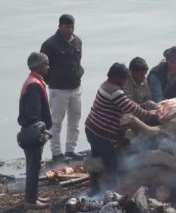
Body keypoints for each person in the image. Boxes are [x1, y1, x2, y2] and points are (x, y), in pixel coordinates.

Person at [85, 63, 158, 195]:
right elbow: (131, 108)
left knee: (97, 160)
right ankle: (112, 194)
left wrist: (142, 107)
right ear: (116, 77)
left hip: (91, 128)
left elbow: (127, 105)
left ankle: (95, 190)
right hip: (102, 133)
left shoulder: (105, 85)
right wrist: (150, 114)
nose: (125, 81)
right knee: (112, 163)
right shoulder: (115, 91)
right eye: (124, 78)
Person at [40, 14, 85, 161]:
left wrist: (79, 74)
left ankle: (71, 150)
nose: (69, 30)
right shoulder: (50, 45)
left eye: (71, 27)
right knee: (55, 122)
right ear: (59, 27)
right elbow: (42, 67)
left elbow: (78, 61)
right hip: (58, 89)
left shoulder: (77, 41)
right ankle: (56, 153)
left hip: (75, 87)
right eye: (66, 27)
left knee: (75, 120)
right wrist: (51, 81)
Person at [18, 52, 52, 209]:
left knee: (33, 165)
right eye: (46, 64)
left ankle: (33, 195)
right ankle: (30, 201)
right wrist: (42, 129)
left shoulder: (34, 81)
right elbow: (34, 114)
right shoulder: (34, 85)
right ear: (38, 66)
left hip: (30, 130)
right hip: (33, 131)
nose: (48, 67)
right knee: (33, 167)